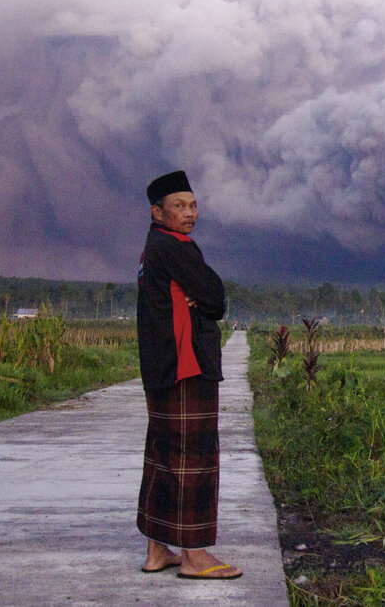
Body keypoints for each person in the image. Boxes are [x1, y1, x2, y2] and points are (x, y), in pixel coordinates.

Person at [135, 170, 242, 579]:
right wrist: (206, 297)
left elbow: (207, 296)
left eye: (193, 205)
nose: (189, 213)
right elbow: (216, 298)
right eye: (178, 206)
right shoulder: (176, 247)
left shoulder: (150, 250)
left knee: (163, 458)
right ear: (157, 211)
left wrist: (203, 295)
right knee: (193, 461)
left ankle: (157, 551)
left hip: (161, 370)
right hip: (186, 368)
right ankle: (195, 557)